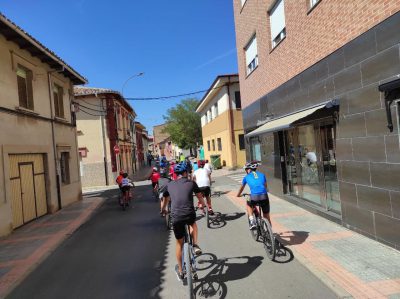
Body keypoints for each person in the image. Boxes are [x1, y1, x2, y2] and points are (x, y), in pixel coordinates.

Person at [161, 161, 205, 281]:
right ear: (185, 173)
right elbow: (200, 196)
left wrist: (163, 210)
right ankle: (195, 245)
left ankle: (181, 271)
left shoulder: (169, 185)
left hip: (176, 217)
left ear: (176, 174)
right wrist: (202, 204)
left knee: (179, 243)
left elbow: (165, 199)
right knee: (193, 224)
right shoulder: (191, 183)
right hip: (189, 214)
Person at [236, 162, 270, 230]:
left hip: (254, 197)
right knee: (266, 216)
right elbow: (266, 186)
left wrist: (238, 195)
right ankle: (270, 232)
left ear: (249, 170)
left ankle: (252, 221)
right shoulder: (262, 175)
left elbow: (241, 188)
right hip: (264, 196)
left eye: (246, 169)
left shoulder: (246, 177)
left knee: (248, 204)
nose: (246, 171)